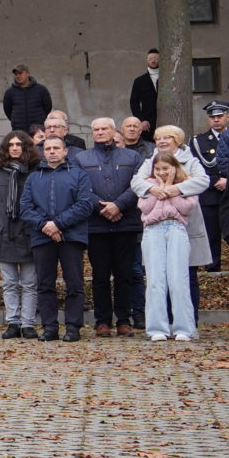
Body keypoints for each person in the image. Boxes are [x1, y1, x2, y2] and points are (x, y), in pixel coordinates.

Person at [133, 123, 210, 330]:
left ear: (177, 140)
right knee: (158, 277)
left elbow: (202, 181)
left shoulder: (191, 161)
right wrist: (153, 189)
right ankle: (163, 322)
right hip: (156, 222)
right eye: (158, 138)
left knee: (185, 276)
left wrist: (176, 188)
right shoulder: (150, 161)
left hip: (186, 222)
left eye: (166, 137)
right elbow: (137, 182)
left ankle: (188, 323)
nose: (162, 141)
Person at [19, 132, 94, 341]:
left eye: (56, 148)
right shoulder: (34, 177)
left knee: (74, 283)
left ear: (65, 151)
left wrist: (58, 223)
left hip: (71, 237)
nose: (52, 152)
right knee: (45, 284)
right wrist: (45, 225)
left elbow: (84, 205)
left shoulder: (78, 175)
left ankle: (73, 327)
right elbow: (25, 208)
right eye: (48, 149)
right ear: (43, 152)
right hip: (42, 237)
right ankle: (49, 327)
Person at [74, 116, 144, 337]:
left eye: (104, 128)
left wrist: (118, 205)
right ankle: (102, 321)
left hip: (126, 224)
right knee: (100, 276)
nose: (100, 132)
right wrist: (102, 207)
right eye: (96, 129)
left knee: (125, 275)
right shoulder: (81, 158)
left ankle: (123, 319)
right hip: (97, 226)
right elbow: (80, 188)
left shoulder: (132, 156)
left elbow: (138, 185)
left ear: (114, 131)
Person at [137, 154, 200, 341]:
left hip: (176, 228)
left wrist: (172, 186)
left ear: (174, 167)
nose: (162, 172)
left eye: (165, 168)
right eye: (158, 169)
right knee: (155, 280)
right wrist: (159, 188)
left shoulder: (186, 184)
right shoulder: (148, 184)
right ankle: (157, 328)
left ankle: (184, 328)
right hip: (153, 229)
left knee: (178, 279)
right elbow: (145, 208)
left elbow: (186, 208)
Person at [0, 131, 40, 338]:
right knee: (9, 283)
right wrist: (1, 222)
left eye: (19, 144)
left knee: (30, 283)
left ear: (26, 147)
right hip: (4, 234)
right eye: (11, 144)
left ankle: (28, 324)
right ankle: (13, 322)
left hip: (28, 232)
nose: (15, 148)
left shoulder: (36, 171)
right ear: (5, 148)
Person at [195, 101, 229, 277]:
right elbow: (197, 168)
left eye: (220, 116)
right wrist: (217, 180)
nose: (216, 120)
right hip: (211, 193)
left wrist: (228, 181)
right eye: (212, 117)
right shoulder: (198, 141)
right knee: (211, 233)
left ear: (227, 116)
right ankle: (212, 270)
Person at [4, 64, 53, 135]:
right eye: (16, 74)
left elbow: (48, 108)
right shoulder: (10, 92)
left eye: (20, 73)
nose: (18, 76)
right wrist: (16, 122)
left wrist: (39, 121)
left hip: (38, 131)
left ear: (27, 73)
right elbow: (8, 111)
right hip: (19, 131)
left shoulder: (41, 89)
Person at [130, 49, 162, 127]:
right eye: (150, 59)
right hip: (147, 123)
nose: (153, 61)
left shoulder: (168, 79)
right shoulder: (139, 81)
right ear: (147, 60)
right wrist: (141, 120)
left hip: (167, 119)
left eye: (156, 58)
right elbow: (134, 102)